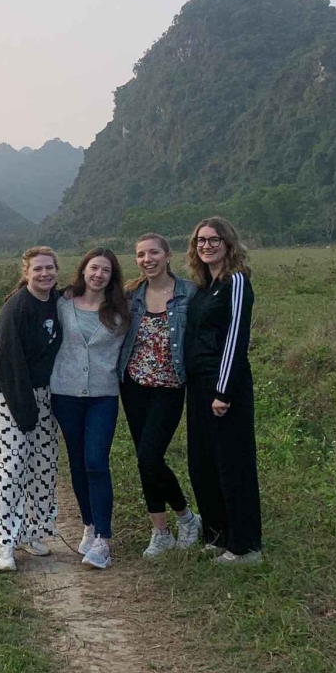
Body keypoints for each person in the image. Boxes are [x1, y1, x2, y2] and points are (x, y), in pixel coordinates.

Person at [117, 233, 202, 558]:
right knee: (144, 460)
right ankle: (161, 532)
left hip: (169, 387)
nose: (147, 259)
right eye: (141, 254)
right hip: (134, 386)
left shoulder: (189, 293)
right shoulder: (132, 294)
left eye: (153, 252)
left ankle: (187, 518)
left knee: (149, 456)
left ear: (168, 255)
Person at [184, 217, 262, 565]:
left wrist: (224, 391)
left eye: (214, 240)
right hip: (198, 385)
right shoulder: (204, 284)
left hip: (223, 386)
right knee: (203, 462)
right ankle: (216, 535)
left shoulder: (236, 282)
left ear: (228, 244)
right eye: (201, 241)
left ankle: (245, 546)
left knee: (233, 464)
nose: (207, 246)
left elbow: (235, 338)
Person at [0, 246, 63, 571]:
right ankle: (6, 542)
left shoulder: (58, 303)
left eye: (50, 268)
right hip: (8, 394)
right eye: (38, 269)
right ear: (26, 273)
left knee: (44, 464)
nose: (45, 274)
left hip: (44, 393)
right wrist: (24, 410)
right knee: (11, 466)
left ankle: (35, 531)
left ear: (57, 270)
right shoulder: (16, 308)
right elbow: (7, 360)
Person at [49, 248, 129, 569]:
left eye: (106, 270)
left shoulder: (121, 312)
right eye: (94, 268)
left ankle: (104, 541)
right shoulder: (62, 304)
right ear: (83, 270)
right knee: (78, 463)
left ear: (112, 277)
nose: (98, 275)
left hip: (102, 397)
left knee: (96, 461)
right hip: (65, 395)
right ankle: (89, 524)